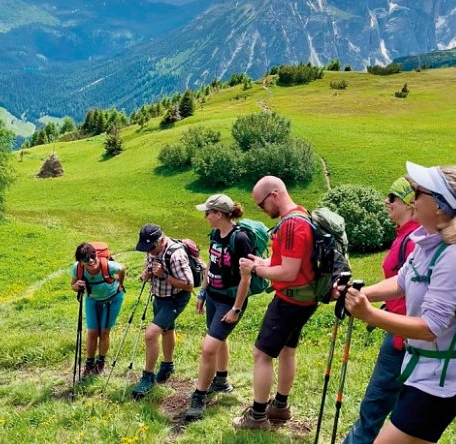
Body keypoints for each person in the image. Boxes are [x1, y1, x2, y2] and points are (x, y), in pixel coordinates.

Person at [344, 161, 456, 444]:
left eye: (418, 192)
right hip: (426, 368)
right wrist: (358, 293)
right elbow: (402, 281)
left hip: (446, 378)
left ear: (439, 205)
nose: (412, 199)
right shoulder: (430, 242)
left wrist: (369, 314)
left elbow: (430, 328)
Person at [339, 177, 419, 444]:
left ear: (409, 203)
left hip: (402, 341)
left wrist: (368, 307)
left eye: (393, 197)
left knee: (373, 412)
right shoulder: (405, 236)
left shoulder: (414, 240)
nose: (387, 201)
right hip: (401, 335)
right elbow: (400, 284)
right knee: (413, 426)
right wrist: (359, 293)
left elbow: (413, 293)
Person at [233, 175, 317, 430]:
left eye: (262, 204)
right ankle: (280, 406)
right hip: (305, 297)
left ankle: (258, 417)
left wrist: (255, 270)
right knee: (286, 350)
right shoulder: (301, 214)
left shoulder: (291, 225)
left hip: (289, 300)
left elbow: (288, 273)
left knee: (261, 354)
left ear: (274, 195)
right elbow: (292, 261)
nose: (262, 209)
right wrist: (264, 262)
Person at [185, 194, 253, 421]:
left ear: (220, 214)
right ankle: (221, 381)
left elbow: (246, 278)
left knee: (208, 349)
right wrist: (203, 293)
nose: (206, 216)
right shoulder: (216, 234)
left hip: (230, 302)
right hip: (213, 297)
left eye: (208, 213)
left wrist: (236, 309)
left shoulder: (240, 239)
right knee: (218, 340)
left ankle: (199, 396)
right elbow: (211, 265)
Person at [132, 224, 193, 398]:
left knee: (151, 334)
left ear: (161, 240)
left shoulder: (176, 255)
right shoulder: (151, 249)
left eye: (151, 248)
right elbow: (149, 267)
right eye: (146, 248)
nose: (149, 252)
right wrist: (146, 274)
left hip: (175, 299)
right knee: (167, 330)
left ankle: (148, 378)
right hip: (159, 296)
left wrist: (164, 275)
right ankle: (167, 366)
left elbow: (188, 285)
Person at [71, 243, 125, 378]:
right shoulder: (77, 269)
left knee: (104, 332)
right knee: (92, 332)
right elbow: (72, 285)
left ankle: (100, 362)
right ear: (80, 262)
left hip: (112, 299)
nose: (91, 261)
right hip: (92, 300)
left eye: (93, 256)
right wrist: (76, 286)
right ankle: (89, 364)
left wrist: (120, 284)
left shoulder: (109, 266)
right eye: (86, 259)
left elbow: (122, 269)